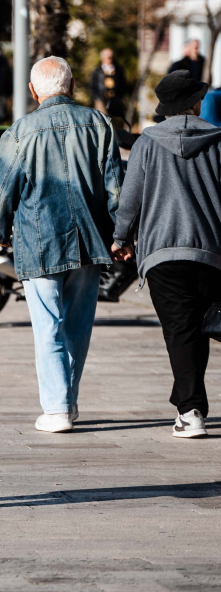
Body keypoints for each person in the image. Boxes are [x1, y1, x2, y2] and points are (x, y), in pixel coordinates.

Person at [0, 57, 123, 433]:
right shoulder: (99, 124)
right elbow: (116, 188)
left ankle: (57, 409)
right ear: (73, 85)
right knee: (78, 326)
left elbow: (0, 193)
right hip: (89, 240)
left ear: (34, 91)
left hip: (40, 241)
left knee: (48, 325)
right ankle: (68, 401)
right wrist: (120, 236)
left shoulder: (20, 131)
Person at [111, 70, 221, 439]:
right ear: (196, 103)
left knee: (181, 331)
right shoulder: (218, 141)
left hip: (161, 255)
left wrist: (121, 237)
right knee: (195, 329)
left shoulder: (146, 144)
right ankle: (189, 403)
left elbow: (130, 200)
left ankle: (190, 411)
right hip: (209, 253)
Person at [90, 48, 129, 126]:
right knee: (101, 121)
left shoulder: (118, 70)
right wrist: (97, 97)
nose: (109, 59)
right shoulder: (97, 71)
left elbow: (123, 84)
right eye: (107, 57)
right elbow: (92, 86)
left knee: (115, 122)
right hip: (101, 99)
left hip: (115, 99)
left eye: (110, 57)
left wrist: (119, 96)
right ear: (102, 58)